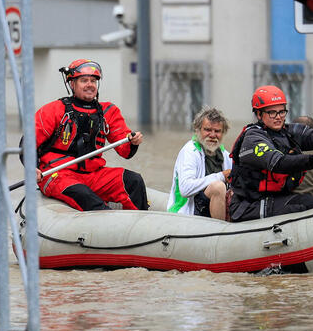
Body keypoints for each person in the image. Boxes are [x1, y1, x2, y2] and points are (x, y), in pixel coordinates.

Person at [34, 58, 148, 211]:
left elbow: (125, 151)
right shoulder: (53, 110)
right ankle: (109, 223)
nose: (90, 85)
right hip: (58, 174)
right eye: (84, 80)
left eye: (93, 81)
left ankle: (140, 228)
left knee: (134, 180)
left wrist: (133, 142)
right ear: (72, 84)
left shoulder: (108, 111)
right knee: (85, 196)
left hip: (93, 175)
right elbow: (27, 144)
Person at [228, 86, 313, 222]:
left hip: (277, 198)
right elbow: (279, 163)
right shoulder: (252, 139)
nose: (278, 117)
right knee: (310, 204)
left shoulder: (287, 131)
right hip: (249, 205)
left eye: (282, 112)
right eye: (272, 113)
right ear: (259, 114)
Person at [167, 106, 232, 219]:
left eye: (217, 131)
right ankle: (221, 232)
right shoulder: (190, 151)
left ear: (223, 133)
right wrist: (220, 176)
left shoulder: (225, 154)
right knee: (218, 187)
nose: (212, 135)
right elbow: (185, 189)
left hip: (208, 204)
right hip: (187, 212)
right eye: (207, 130)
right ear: (197, 130)